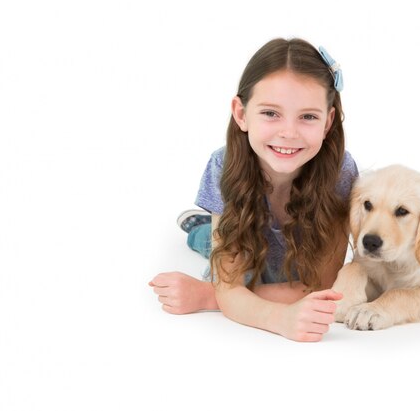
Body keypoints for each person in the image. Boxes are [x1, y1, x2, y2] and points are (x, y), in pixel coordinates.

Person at [149, 38, 358, 342]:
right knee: (209, 245)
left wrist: (211, 297)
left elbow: (322, 286)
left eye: (308, 116)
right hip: (250, 254)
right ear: (241, 113)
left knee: (239, 263)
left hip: (296, 261)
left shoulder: (341, 172)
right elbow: (231, 283)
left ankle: (202, 226)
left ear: (328, 123)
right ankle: (199, 227)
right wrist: (278, 317)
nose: (288, 132)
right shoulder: (224, 165)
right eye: (271, 113)